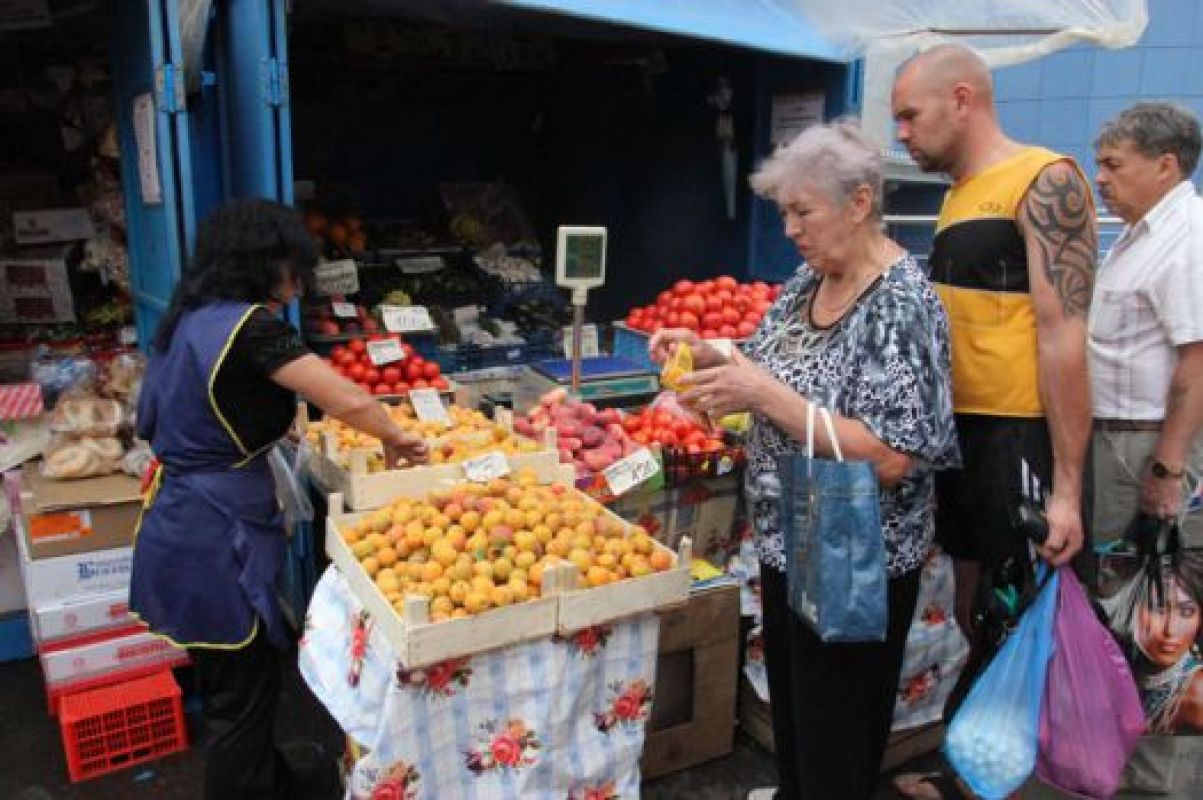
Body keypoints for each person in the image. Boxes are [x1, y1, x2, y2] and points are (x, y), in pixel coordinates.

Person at [650, 120, 960, 800]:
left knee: (837, 731)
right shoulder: (805, 281)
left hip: (856, 553)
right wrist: (707, 354)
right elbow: (765, 366)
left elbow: (890, 456)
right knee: (798, 716)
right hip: (791, 535)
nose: (789, 228)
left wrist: (762, 393)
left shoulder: (904, 305)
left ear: (858, 203)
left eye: (802, 211)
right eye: (783, 212)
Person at [130, 199, 428, 800]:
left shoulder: (191, 319)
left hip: (180, 524)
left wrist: (275, 428)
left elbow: (203, 408)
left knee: (238, 683)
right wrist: (399, 436)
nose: (297, 287)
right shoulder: (250, 328)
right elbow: (344, 398)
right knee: (239, 697)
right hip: (216, 537)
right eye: (294, 271)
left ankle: (275, 780)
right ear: (263, 265)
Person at [890, 43, 1097, 800]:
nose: (901, 135)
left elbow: (1063, 334)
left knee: (1018, 609)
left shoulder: (1046, 179)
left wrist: (1067, 487)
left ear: (962, 100)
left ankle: (998, 779)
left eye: (909, 116)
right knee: (982, 609)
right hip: (962, 439)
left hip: (1018, 435)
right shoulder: (958, 193)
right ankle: (972, 765)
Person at [1089, 102, 1203, 550]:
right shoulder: (1138, 234)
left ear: (1165, 166)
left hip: (1145, 446)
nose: (1100, 178)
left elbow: (1197, 363)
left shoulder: (1188, 237)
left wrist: (1166, 470)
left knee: (1141, 593)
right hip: (1119, 443)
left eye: (1113, 165)